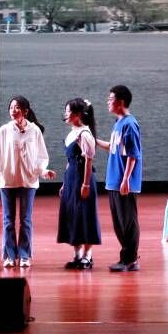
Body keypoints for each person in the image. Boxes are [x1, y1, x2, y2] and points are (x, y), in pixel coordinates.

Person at [0, 95, 53, 268]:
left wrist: (44, 171)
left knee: (25, 220)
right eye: (11, 107)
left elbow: (41, 156)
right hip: (7, 180)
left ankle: (25, 255)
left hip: (28, 180)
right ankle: (9, 255)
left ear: (25, 111)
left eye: (17, 107)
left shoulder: (35, 131)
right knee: (8, 220)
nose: (13, 110)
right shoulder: (3, 131)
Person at [99, 84, 142, 272]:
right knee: (119, 223)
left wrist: (126, 180)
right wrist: (94, 140)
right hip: (114, 181)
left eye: (111, 99)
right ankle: (126, 257)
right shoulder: (118, 123)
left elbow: (133, 155)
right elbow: (113, 147)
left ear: (121, 101)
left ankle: (130, 259)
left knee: (128, 222)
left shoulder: (130, 124)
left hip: (124, 182)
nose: (108, 102)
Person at [57, 98, 101, 269]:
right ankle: (77, 255)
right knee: (72, 215)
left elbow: (89, 160)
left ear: (77, 114)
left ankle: (87, 256)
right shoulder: (72, 133)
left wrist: (85, 185)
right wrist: (64, 183)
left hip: (83, 178)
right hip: (71, 178)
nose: (66, 114)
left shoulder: (85, 134)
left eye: (68, 111)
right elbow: (70, 161)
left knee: (85, 215)